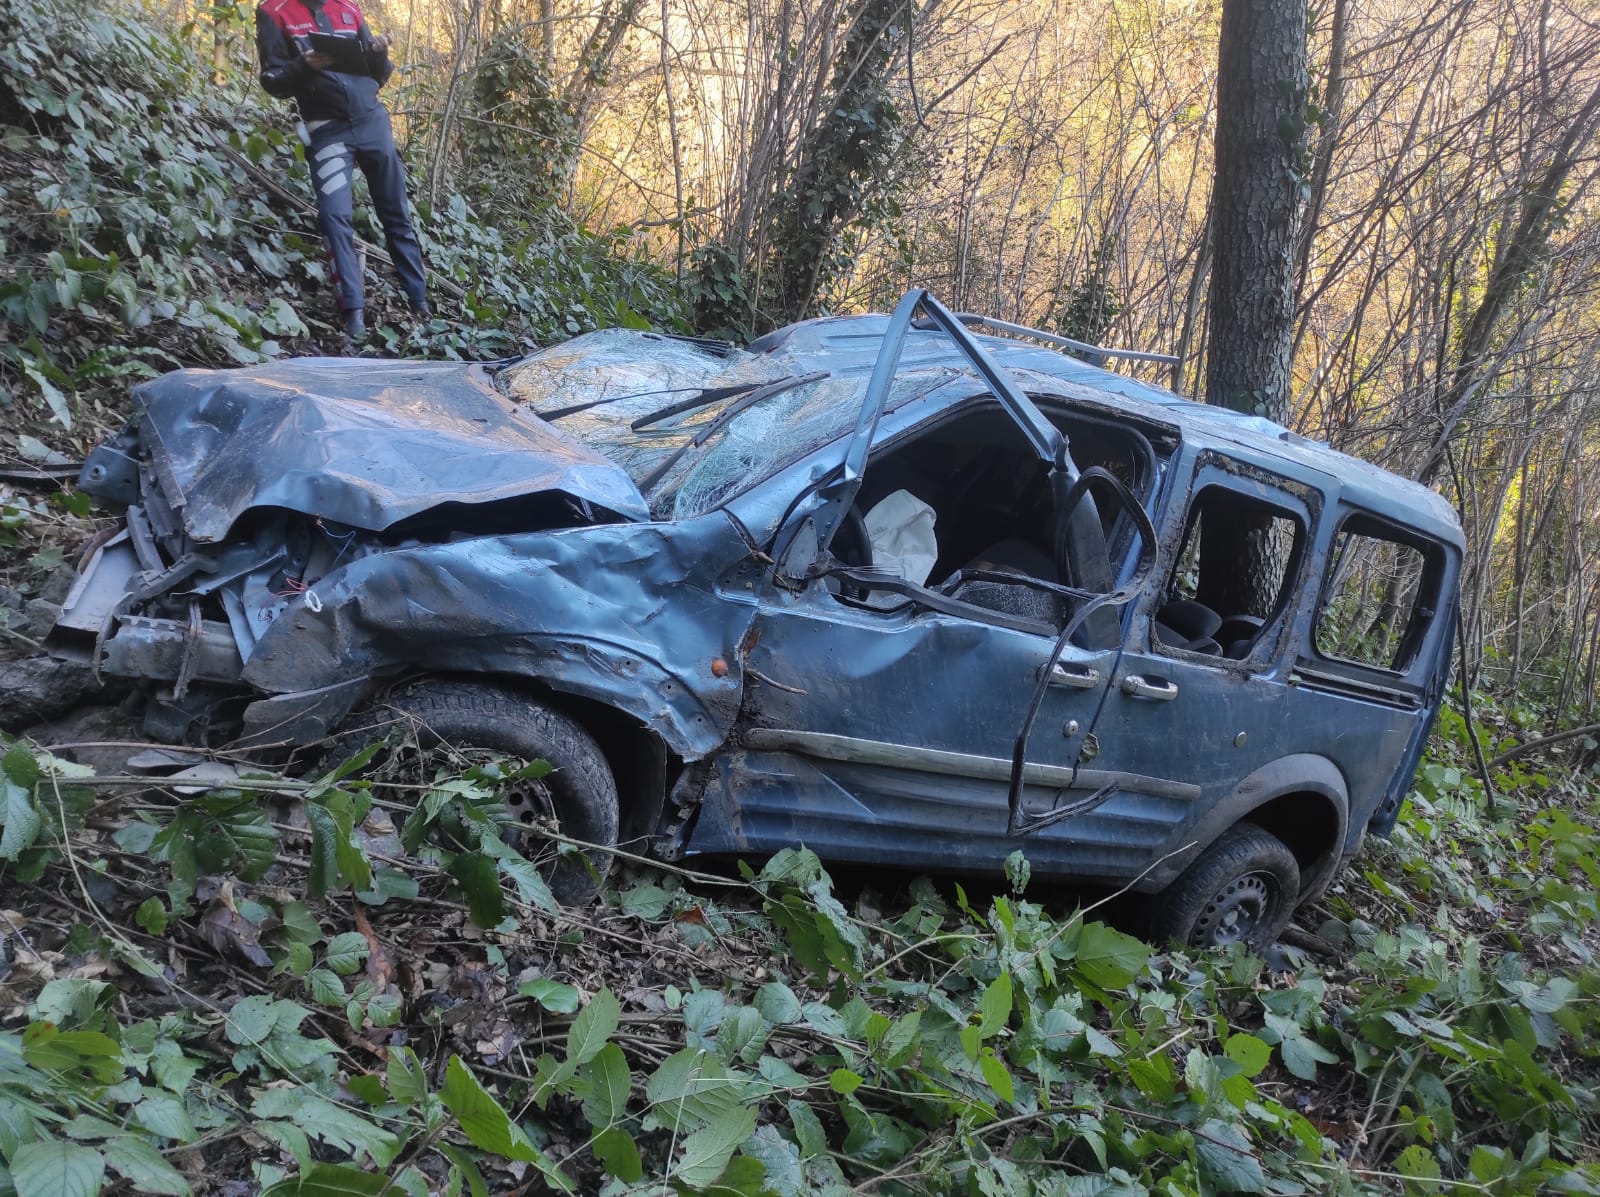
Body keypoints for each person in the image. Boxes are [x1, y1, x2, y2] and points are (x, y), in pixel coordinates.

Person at [255, 0, 430, 342]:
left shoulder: (347, 9)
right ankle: (353, 315)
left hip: (372, 124)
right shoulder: (274, 11)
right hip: (327, 131)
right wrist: (304, 66)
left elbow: (379, 76)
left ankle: (419, 302)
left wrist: (378, 52)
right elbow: (273, 80)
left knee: (396, 213)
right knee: (335, 219)